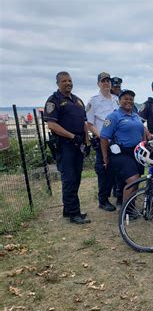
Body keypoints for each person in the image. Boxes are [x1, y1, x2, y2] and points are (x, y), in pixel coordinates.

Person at [43, 71, 91, 224]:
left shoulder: (78, 101)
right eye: (64, 81)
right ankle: (74, 213)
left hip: (78, 143)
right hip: (65, 144)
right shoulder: (53, 101)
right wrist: (71, 136)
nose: (68, 83)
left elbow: (84, 123)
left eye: (69, 81)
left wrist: (86, 141)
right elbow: (52, 124)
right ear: (58, 83)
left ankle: (68, 209)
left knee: (76, 177)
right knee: (69, 178)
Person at [100, 90, 148, 204]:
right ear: (119, 101)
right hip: (121, 153)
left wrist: (145, 145)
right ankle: (125, 211)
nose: (128, 101)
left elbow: (142, 132)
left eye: (131, 99)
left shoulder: (136, 116)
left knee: (135, 180)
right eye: (125, 99)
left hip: (136, 153)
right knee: (133, 180)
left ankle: (129, 205)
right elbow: (103, 137)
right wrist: (105, 158)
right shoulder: (113, 116)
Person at [86, 72, 119, 212]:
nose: (106, 83)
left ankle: (118, 194)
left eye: (108, 81)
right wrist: (102, 136)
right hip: (102, 141)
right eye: (103, 81)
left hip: (117, 141)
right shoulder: (93, 101)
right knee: (103, 170)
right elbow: (90, 123)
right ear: (98, 83)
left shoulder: (116, 99)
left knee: (116, 169)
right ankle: (103, 200)